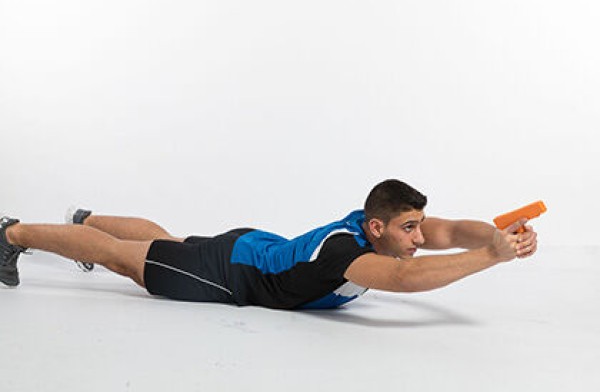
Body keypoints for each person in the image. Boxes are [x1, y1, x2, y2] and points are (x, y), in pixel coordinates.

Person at [0, 179, 538, 309]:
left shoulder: (380, 226)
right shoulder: (349, 254)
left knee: (166, 240)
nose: (421, 237)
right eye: (410, 229)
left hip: (254, 246)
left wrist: (494, 236)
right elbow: (405, 279)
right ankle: (12, 234)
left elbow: (452, 232)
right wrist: (492, 257)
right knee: (121, 258)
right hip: (229, 273)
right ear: (377, 228)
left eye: (419, 226)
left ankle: (85, 220)